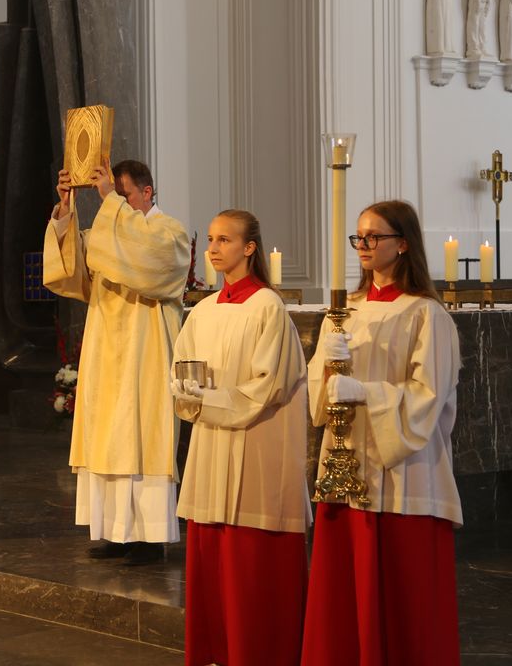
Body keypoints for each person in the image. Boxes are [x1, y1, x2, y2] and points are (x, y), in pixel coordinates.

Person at [301, 200, 463, 666]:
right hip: (347, 464)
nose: (363, 246)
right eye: (359, 237)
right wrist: (325, 368)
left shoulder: (426, 315)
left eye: (374, 237)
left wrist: (364, 392)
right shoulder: (344, 311)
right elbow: (320, 392)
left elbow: (428, 396)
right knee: (344, 592)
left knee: (401, 593)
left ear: (404, 243)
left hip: (402, 472)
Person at [170, 210, 310, 666]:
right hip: (212, 449)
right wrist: (185, 394)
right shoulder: (203, 310)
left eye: (224, 240)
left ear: (249, 248)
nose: (213, 248)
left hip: (255, 446)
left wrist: (206, 402)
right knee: (214, 557)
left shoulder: (268, 307)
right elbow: (182, 369)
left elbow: (268, 386)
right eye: (210, 239)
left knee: (251, 566)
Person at [43, 158, 190, 565]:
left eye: (124, 195)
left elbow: (148, 264)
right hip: (107, 351)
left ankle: (148, 539)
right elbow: (69, 272)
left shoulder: (169, 232)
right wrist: (67, 210)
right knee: (107, 439)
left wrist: (108, 199)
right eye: (114, 195)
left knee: (141, 439)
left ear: (147, 192)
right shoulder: (110, 233)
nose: (117, 203)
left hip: (146, 351)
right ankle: (115, 532)